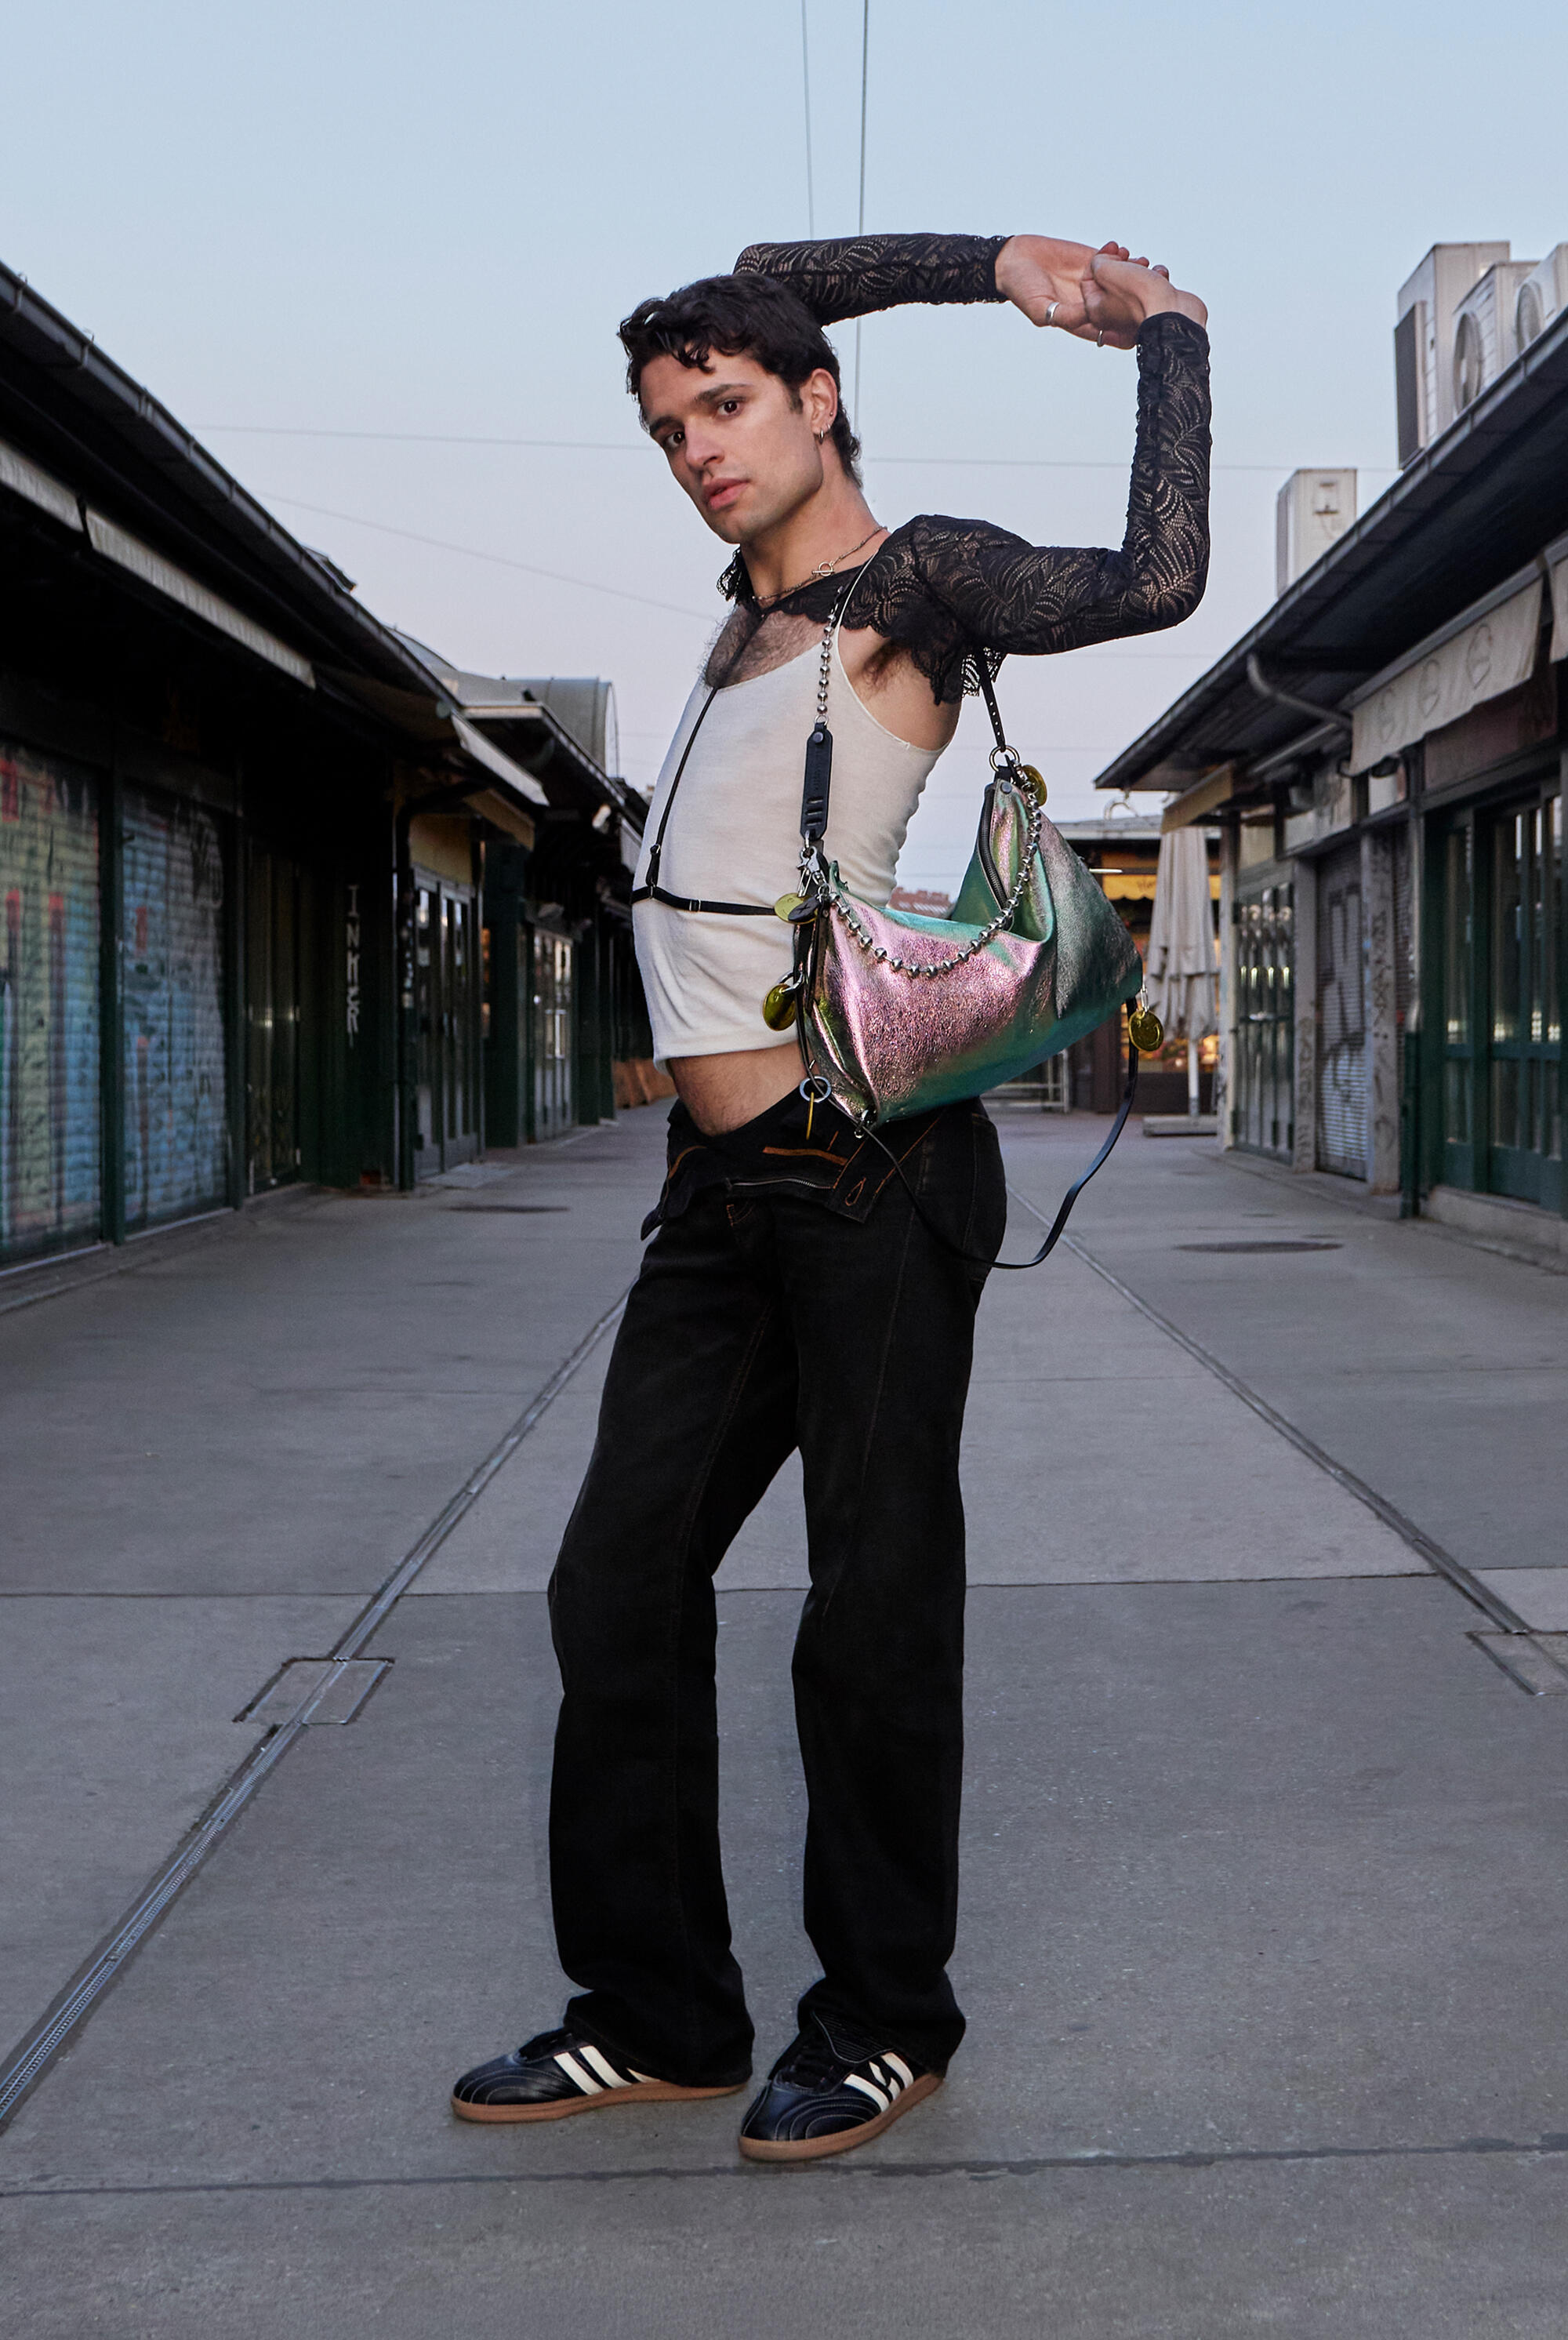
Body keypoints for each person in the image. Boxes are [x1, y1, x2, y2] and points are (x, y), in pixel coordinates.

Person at [452, 231, 1210, 2162]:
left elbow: (1157, 577)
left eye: (726, 406)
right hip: (714, 1197)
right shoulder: (733, 607)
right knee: (611, 1585)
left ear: (819, 402)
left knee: (870, 1610)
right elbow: (768, 274)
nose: (695, 445)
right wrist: (972, 259)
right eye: (666, 425)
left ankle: (883, 2017)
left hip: (871, 1173)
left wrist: (1154, 334)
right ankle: (661, 2013)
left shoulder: (918, 585)